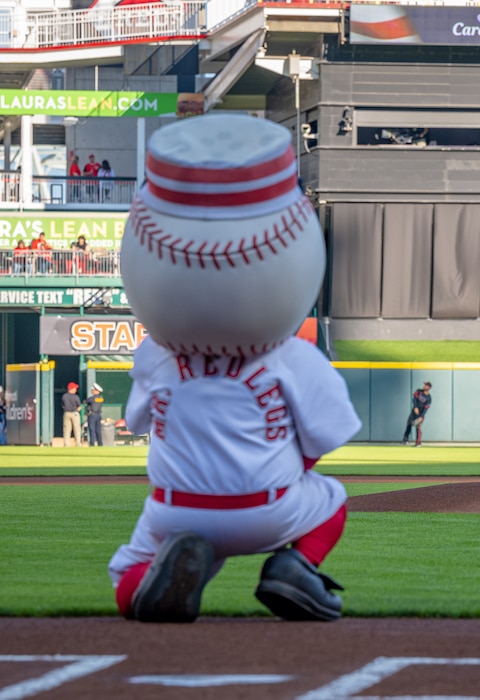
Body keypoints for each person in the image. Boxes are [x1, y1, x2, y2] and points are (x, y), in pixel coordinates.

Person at [108, 113, 362, 624]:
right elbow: (325, 439)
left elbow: (137, 422)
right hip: (268, 508)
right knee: (332, 498)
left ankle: (147, 589)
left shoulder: (155, 356)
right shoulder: (291, 356)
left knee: (128, 573)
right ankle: (292, 567)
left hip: (174, 509)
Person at [402, 381, 432, 446]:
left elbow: (426, 408)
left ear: (429, 387)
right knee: (408, 424)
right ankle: (405, 440)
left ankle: (418, 443)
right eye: (424, 385)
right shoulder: (419, 391)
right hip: (414, 412)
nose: (424, 386)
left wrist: (421, 416)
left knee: (418, 428)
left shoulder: (429, 398)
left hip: (420, 415)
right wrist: (415, 407)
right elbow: (414, 399)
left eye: (426, 385)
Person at [62, 382, 83, 447]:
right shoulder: (75, 397)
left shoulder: (64, 396)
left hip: (66, 413)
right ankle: (78, 443)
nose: (76, 390)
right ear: (71, 389)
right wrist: (77, 410)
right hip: (75, 413)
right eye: (75, 388)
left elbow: (63, 405)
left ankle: (66, 443)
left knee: (67, 429)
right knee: (77, 429)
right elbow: (79, 406)